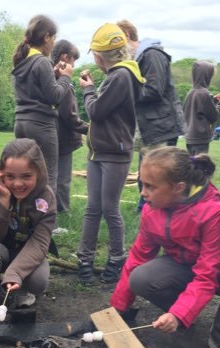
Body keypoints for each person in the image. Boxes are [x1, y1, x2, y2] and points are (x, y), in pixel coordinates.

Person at [110, 147, 220, 348]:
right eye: (142, 184)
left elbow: (207, 274)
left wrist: (178, 314)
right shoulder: (152, 210)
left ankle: (187, 314)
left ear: (178, 187)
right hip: (187, 264)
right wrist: (119, 307)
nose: (143, 192)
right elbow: (137, 258)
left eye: (150, 186)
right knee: (140, 277)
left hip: (214, 269)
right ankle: (187, 314)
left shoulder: (213, 213)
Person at [76, 23, 145, 285]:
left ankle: (117, 258)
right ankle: (85, 258)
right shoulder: (117, 75)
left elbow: (96, 111)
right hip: (99, 152)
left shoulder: (121, 77)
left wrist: (88, 89)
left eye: (94, 53)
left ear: (101, 55)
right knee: (93, 208)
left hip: (114, 153)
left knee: (109, 209)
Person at [0, 138, 56, 319]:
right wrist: (3, 201)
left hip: (28, 252)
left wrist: (15, 273)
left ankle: (22, 288)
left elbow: (40, 243)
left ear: (38, 173)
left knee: (39, 281)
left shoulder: (46, 197)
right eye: (10, 176)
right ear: (2, 174)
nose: (18, 184)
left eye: (26, 176)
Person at [117, 20, 187, 212]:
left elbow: (154, 90)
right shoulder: (140, 58)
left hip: (161, 127)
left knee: (160, 174)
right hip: (150, 127)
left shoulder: (153, 55)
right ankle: (147, 209)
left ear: (127, 37)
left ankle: (160, 211)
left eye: (118, 43)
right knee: (146, 173)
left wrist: (125, 92)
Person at [12, 14, 73, 194]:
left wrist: (53, 76)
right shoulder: (42, 61)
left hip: (21, 123)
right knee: (48, 177)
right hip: (41, 125)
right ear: (46, 37)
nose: (54, 43)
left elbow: (36, 89)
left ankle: (26, 217)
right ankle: (47, 221)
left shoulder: (22, 61)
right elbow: (54, 96)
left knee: (26, 175)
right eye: (53, 38)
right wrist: (66, 78)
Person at [51, 39, 88, 213]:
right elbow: (69, 115)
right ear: (65, 57)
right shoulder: (63, 79)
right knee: (62, 178)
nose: (74, 66)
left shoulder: (49, 74)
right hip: (62, 137)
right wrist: (90, 128)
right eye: (74, 61)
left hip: (51, 134)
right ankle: (61, 211)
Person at [183, 60, 220, 155]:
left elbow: (196, 109)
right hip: (200, 137)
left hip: (190, 136)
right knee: (200, 166)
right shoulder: (204, 93)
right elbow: (214, 116)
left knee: (193, 164)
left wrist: (214, 100)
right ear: (206, 75)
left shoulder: (191, 92)